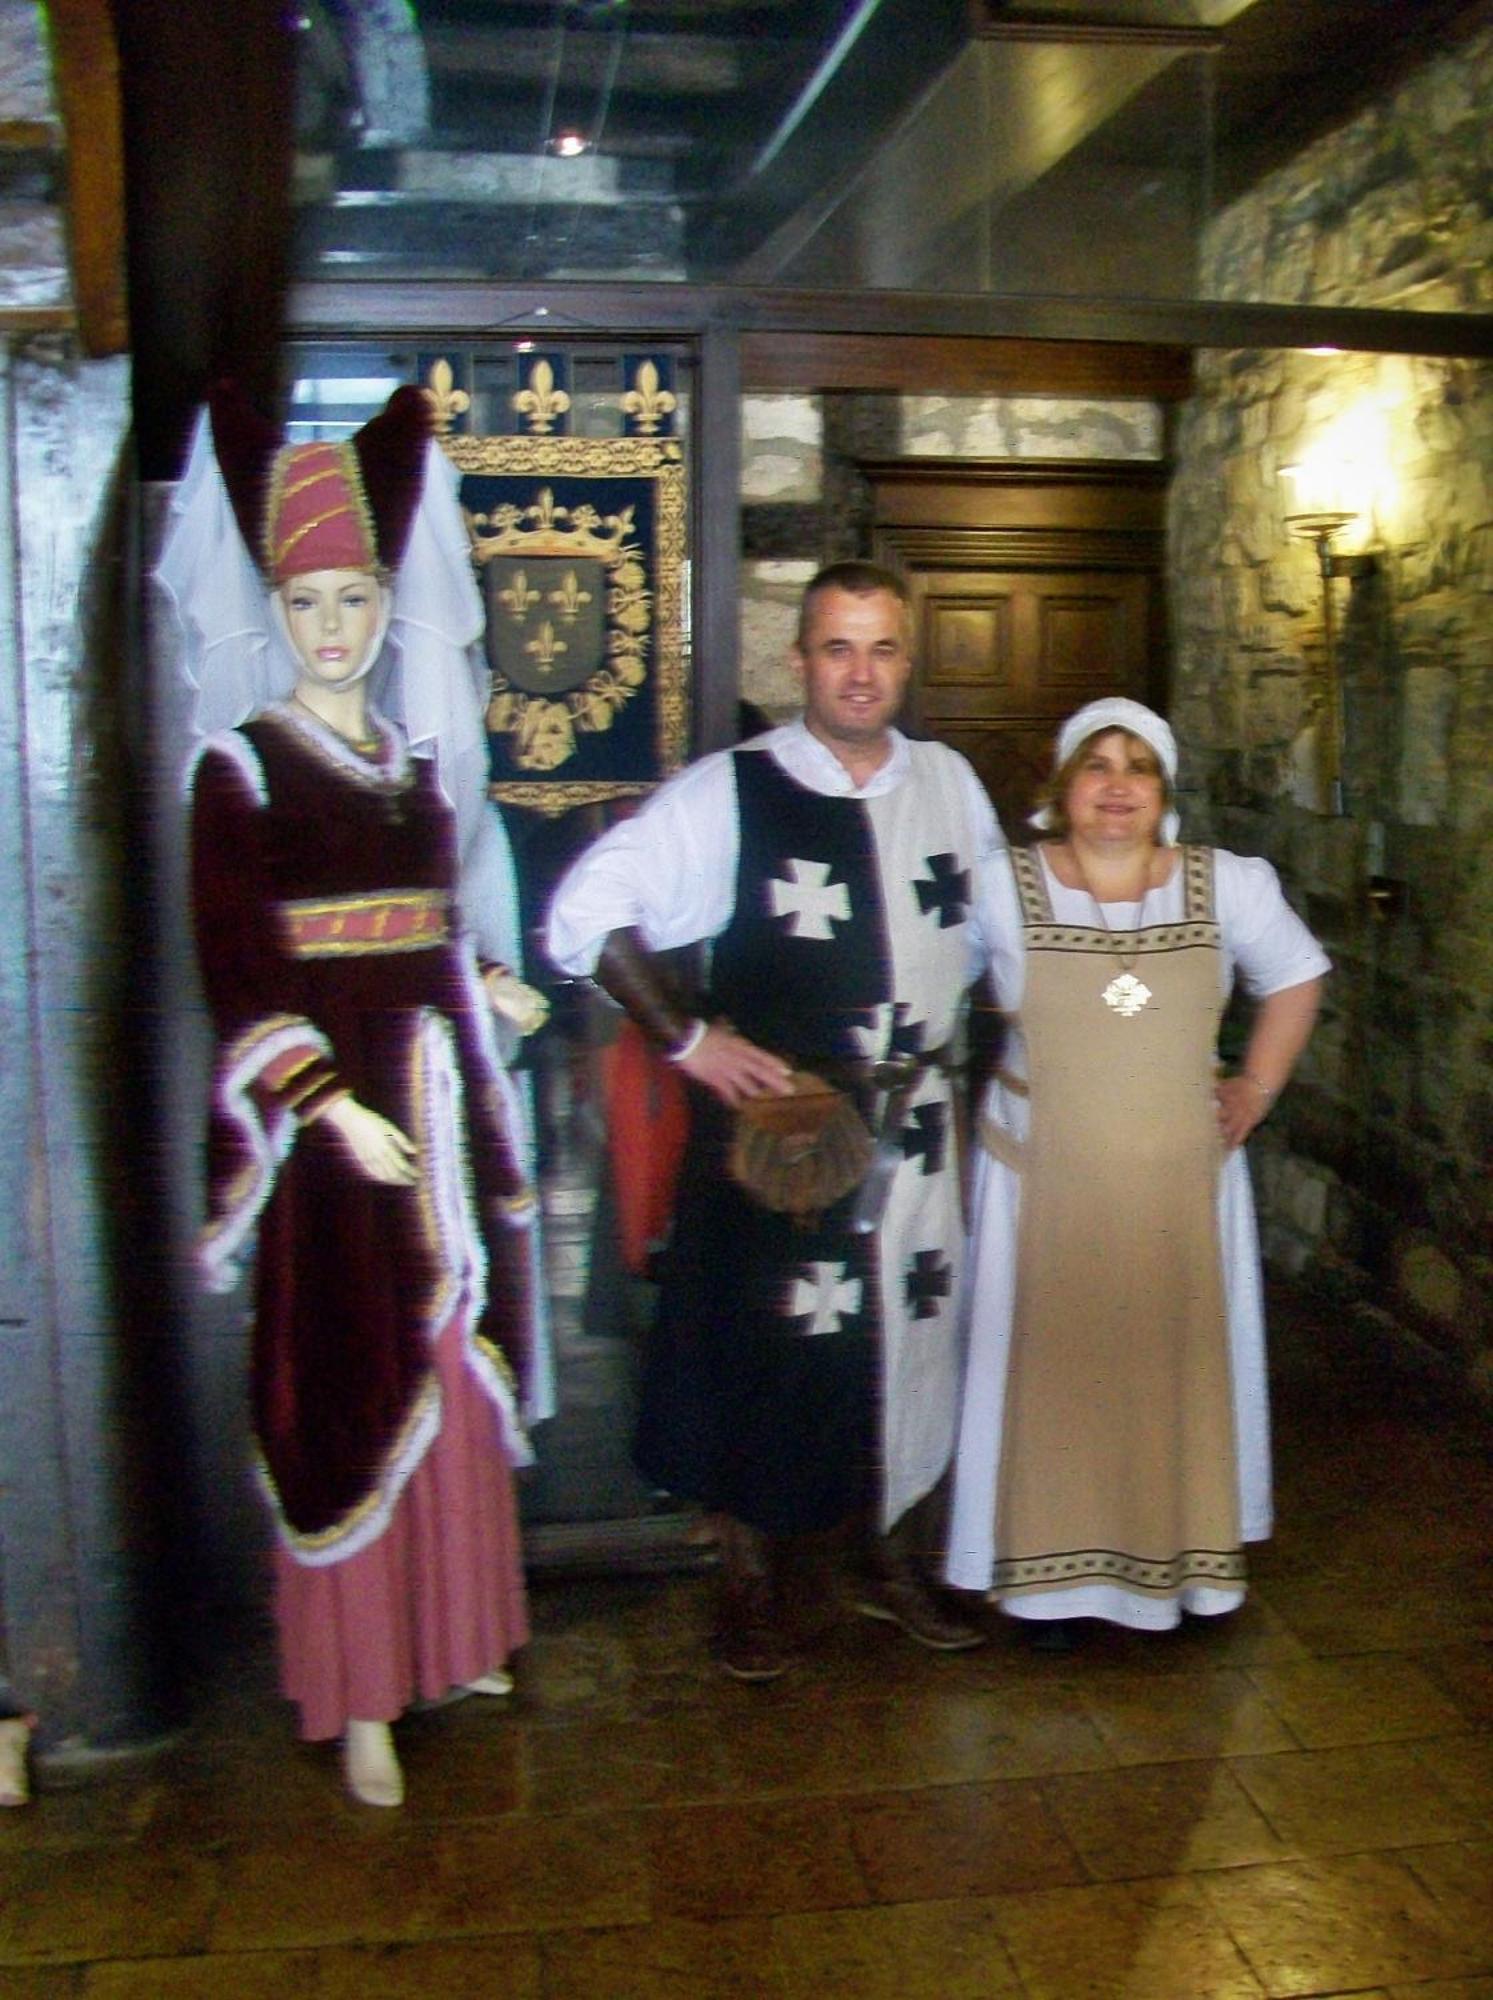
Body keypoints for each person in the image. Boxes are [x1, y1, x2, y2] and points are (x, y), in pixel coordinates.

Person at [159, 385, 547, 1806]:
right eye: (309, 602)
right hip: (340, 1137)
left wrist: (488, 983)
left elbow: (427, 928)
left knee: (450, 1368)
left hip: (438, 1112)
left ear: (389, 599)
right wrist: (326, 1109)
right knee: (354, 1376)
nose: (336, 627)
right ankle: (363, 1687)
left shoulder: (416, 769)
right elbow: (239, 972)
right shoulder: (239, 771)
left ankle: (455, 1639)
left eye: (356, 598)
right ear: (278, 606)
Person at [547, 560, 1006, 1679]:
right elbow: (580, 912)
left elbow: (1007, 947)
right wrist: (689, 1038)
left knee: (911, 1339)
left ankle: (888, 1557)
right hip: (785, 1135)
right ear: (797, 660)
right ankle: (748, 1576)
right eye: (837, 648)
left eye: (882, 648)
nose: (860, 673)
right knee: (762, 1342)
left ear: (908, 659)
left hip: (913, 1128)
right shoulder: (731, 790)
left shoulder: (950, 783)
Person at [944, 697, 1328, 1640]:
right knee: (1054, 1369)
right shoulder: (998, 886)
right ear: (1062, 786)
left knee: (1168, 1366)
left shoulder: (1225, 886)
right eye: (1095, 766)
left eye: (1137, 769)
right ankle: (1037, 1579)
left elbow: (1296, 974)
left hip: (1177, 1190)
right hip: (1042, 1182)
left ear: (1161, 790)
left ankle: (1176, 1571)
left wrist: (1256, 1087)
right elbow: (923, 987)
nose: (1116, 787)